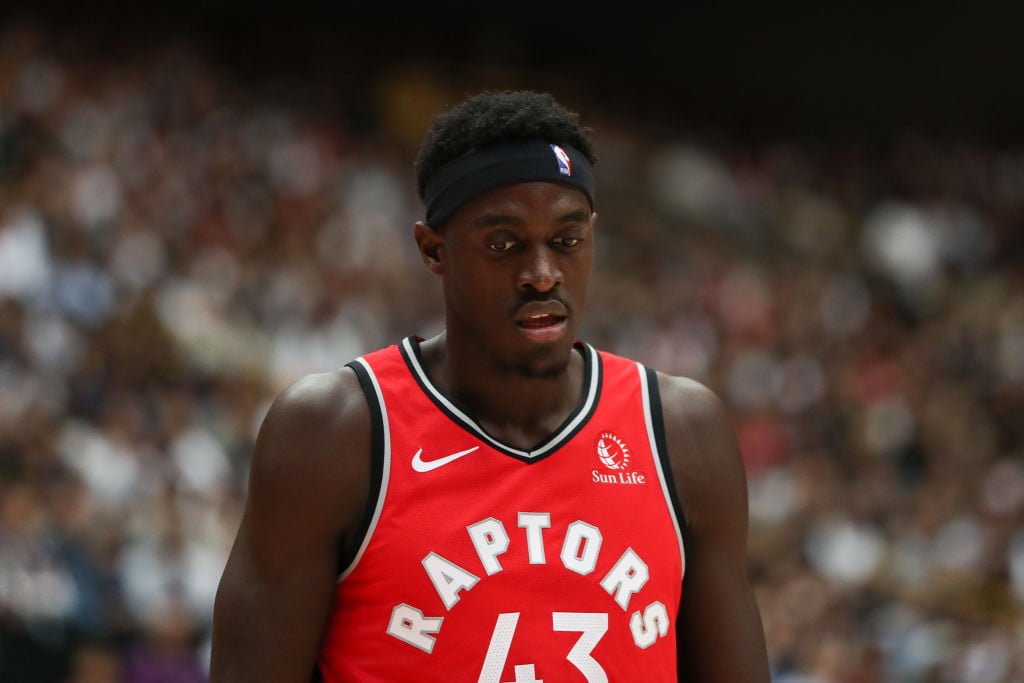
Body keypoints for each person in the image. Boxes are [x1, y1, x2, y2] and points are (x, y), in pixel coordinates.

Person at [209, 90, 771, 682]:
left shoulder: (682, 433)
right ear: (434, 250)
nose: (541, 274)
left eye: (566, 241)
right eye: (504, 244)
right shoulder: (334, 432)